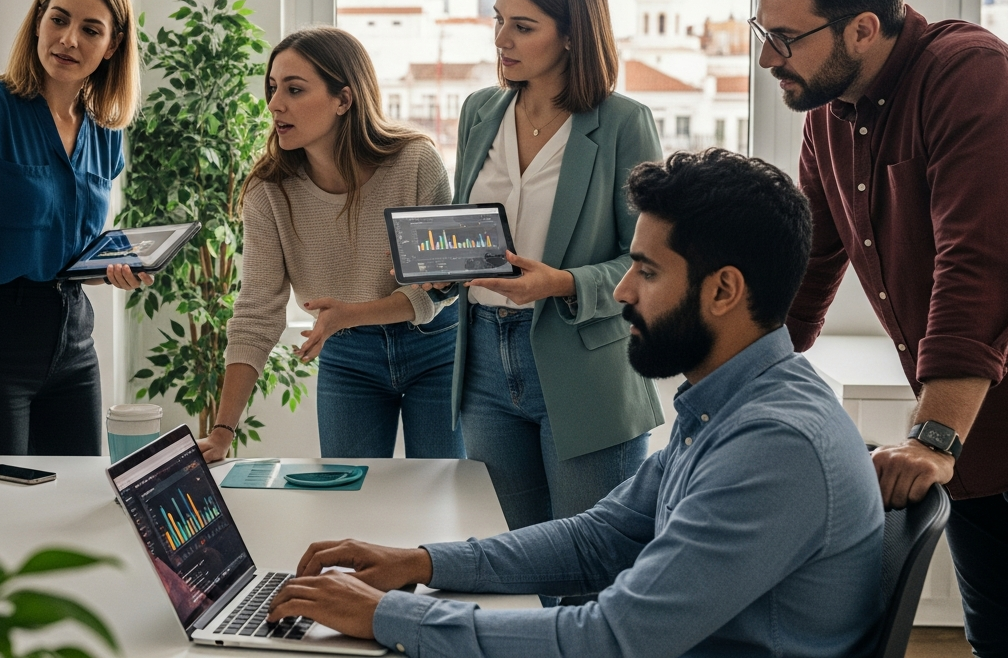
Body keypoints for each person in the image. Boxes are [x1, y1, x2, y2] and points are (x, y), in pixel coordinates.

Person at [263, 149, 885, 658]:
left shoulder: (775, 445)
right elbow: (601, 538)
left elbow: (614, 637)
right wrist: (419, 563)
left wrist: (394, 616)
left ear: (724, 290)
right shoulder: (731, 404)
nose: (619, 291)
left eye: (645, 271)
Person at [753, 0, 1008, 656]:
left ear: (861, 29)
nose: (766, 58)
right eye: (765, 30)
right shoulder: (828, 116)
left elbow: (978, 262)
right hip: (972, 436)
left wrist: (933, 433)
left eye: (787, 38)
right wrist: (731, 391)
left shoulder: (971, 75)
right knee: (989, 643)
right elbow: (807, 268)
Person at [447, 0, 662, 534]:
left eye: (522, 26)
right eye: (498, 20)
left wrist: (562, 283)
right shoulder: (479, 112)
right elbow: (470, 229)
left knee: (588, 568)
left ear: (571, 34)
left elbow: (651, 262)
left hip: (583, 364)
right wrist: (441, 263)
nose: (501, 40)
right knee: (509, 561)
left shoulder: (623, 124)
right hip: (484, 365)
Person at [0, 0, 146, 500]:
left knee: (71, 516)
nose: (68, 39)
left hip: (74, 344)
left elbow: (68, 253)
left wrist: (112, 267)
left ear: (112, 45)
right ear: (38, 22)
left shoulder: (105, 132)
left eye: (91, 30)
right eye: (58, 20)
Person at [197, 26, 462, 462]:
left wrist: (348, 314)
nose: (275, 104)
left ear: (344, 99)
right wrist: (223, 431)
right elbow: (256, 310)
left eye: (295, 89)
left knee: (436, 493)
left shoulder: (415, 163)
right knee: (348, 494)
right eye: (272, 88)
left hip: (434, 346)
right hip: (348, 354)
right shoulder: (269, 192)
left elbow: (435, 291)